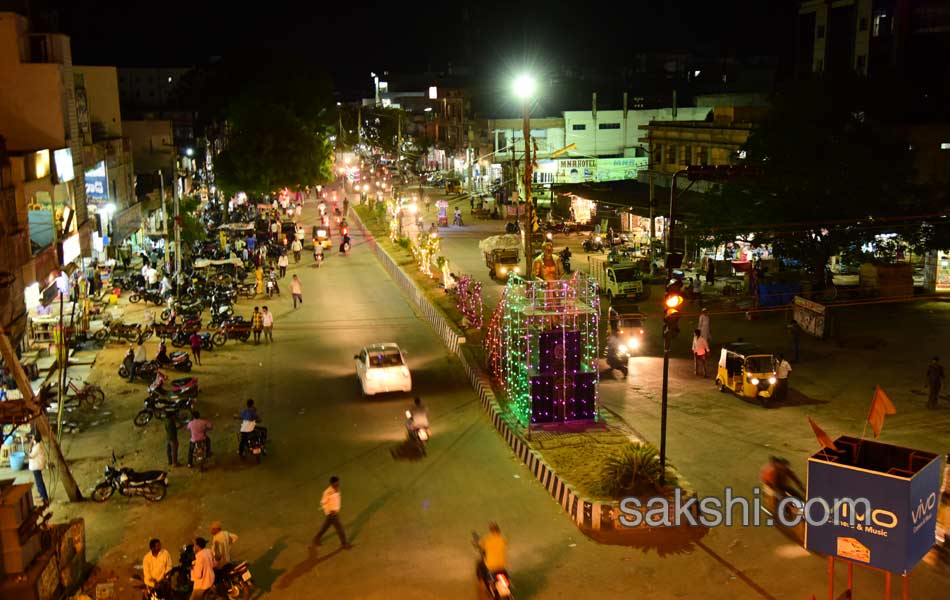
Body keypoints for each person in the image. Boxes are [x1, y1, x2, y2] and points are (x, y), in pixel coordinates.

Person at [313, 476, 350, 549]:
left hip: (335, 513)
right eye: (336, 483)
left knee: (324, 528)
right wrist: (330, 511)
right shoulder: (327, 492)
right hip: (332, 514)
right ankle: (344, 544)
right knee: (340, 529)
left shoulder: (337, 489)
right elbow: (323, 503)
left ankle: (316, 539)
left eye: (338, 482)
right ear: (332, 484)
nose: (338, 484)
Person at [29, 432, 48, 505]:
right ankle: (42, 495)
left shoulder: (37, 446)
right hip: (36, 466)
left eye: (33, 437)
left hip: (36, 466)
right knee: (39, 482)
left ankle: (44, 497)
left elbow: (30, 455)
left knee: (39, 482)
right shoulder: (38, 445)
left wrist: (30, 445)